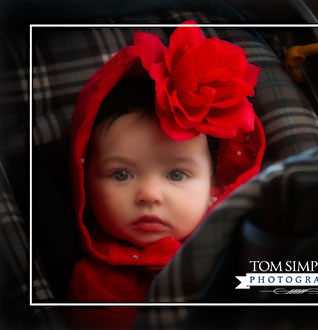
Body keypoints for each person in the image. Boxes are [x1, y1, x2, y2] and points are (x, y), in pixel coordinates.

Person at [66, 21, 266, 329]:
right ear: (84, 181)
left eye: (176, 175)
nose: (149, 194)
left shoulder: (250, 244)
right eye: (120, 174)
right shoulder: (96, 288)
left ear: (214, 185)